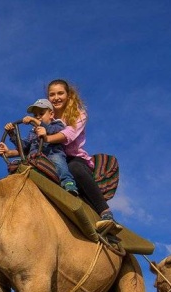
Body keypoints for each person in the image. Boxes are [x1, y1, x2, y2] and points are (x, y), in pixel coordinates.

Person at [39, 79, 116, 231]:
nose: (56, 98)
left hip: (73, 158)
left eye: (60, 93)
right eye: (52, 95)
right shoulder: (45, 117)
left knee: (74, 168)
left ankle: (105, 211)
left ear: (68, 95)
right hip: (52, 157)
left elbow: (69, 134)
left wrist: (47, 138)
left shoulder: (79, 114)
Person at [0, 98, 79, 195]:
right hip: (34, 158)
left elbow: (55, 131)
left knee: (59, 161)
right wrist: (12, 134)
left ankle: (67, 182)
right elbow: (24, 146)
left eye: (41, 114)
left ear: (51, 114)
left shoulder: (57, 124)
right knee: (16, 164)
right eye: (35, 115)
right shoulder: (33, 132)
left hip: (52, 154)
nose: (38, 117)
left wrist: (35, 122)